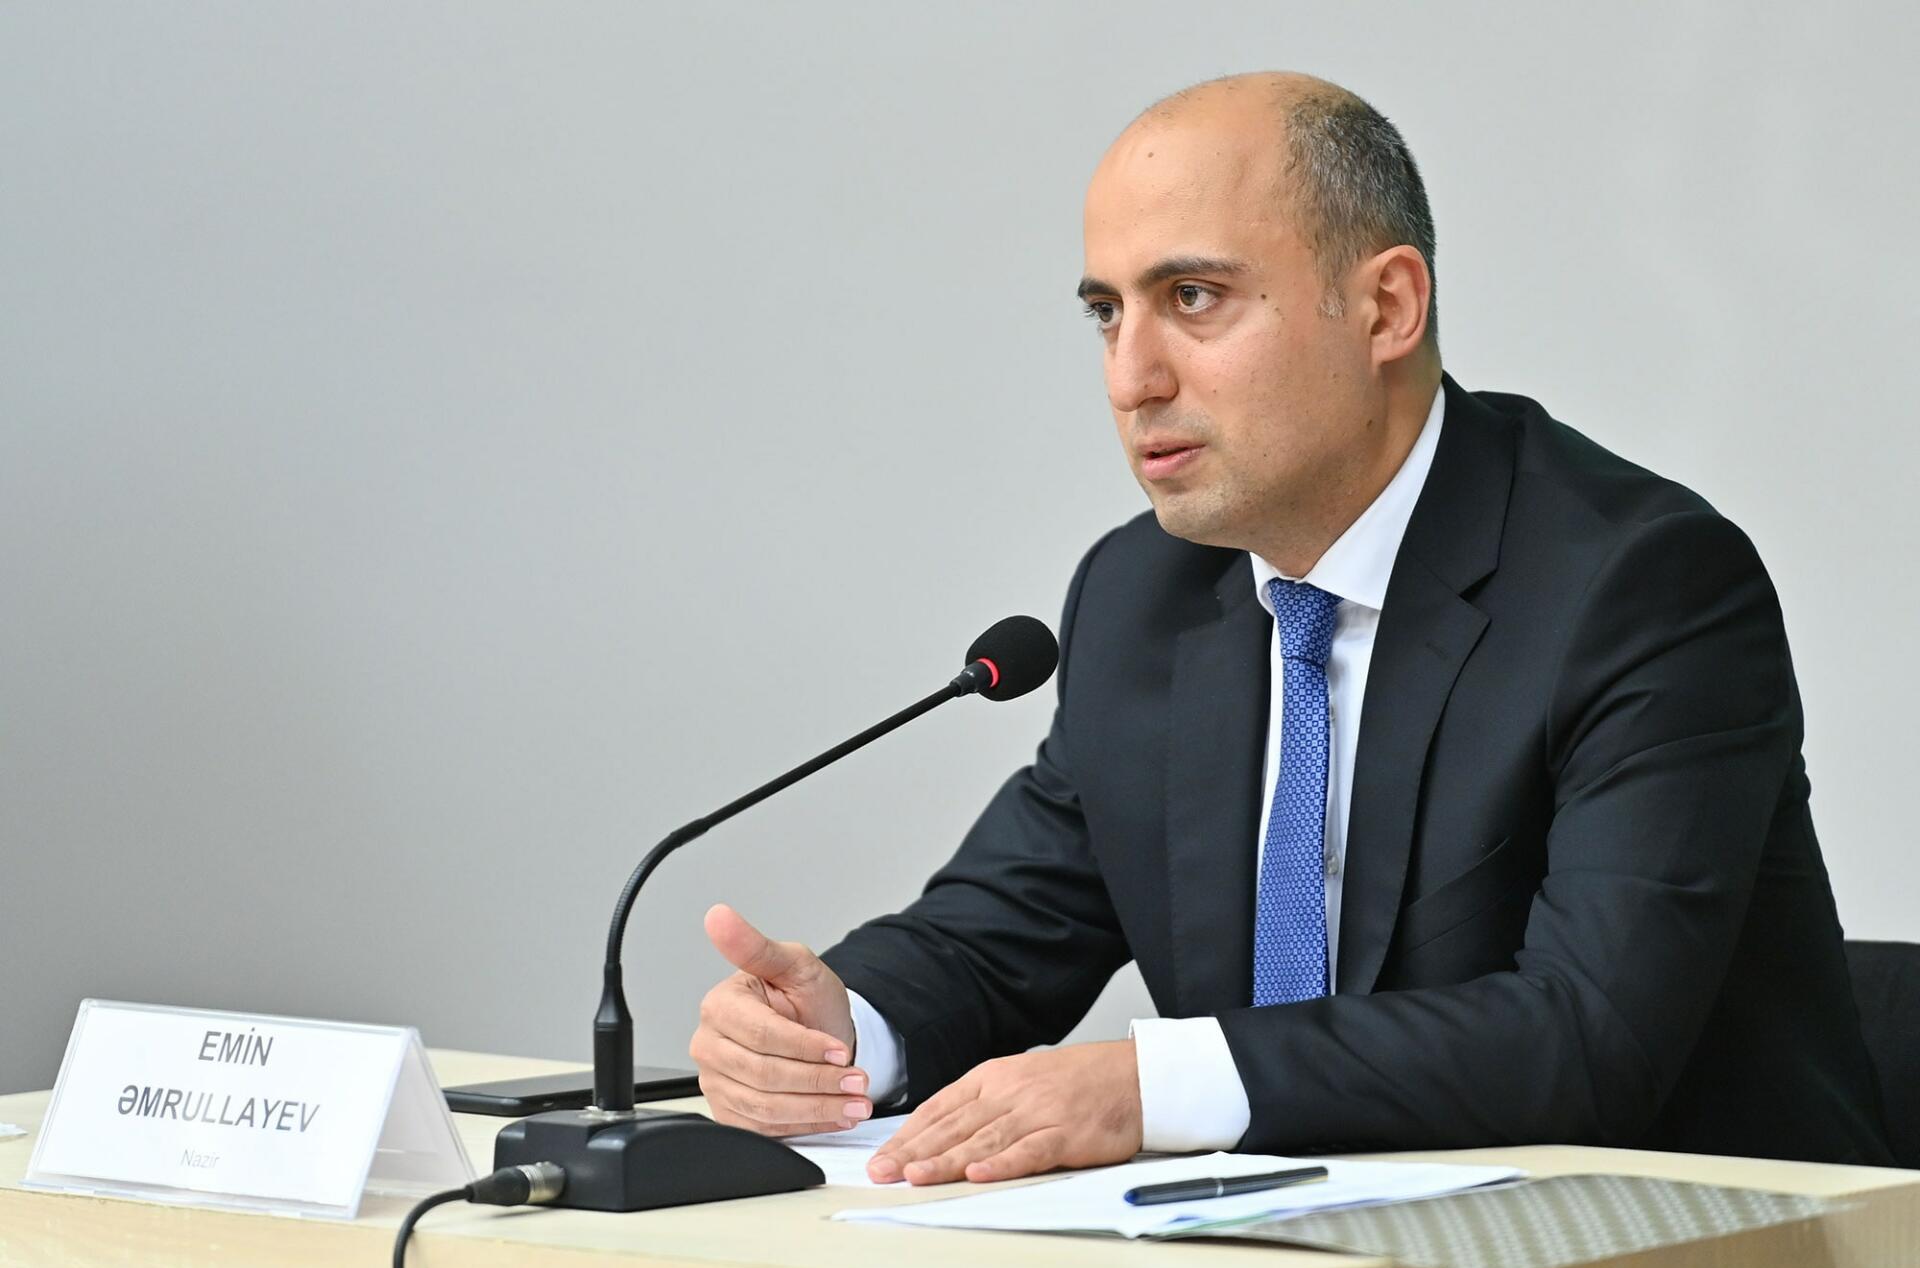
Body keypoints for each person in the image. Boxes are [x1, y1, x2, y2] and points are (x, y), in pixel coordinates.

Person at [686, 70, 1894, 1185]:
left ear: (1385, 307)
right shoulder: (1143, 596)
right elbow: (999, 937)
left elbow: (1588, 1036)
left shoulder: (1640, 587)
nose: (1131, 378)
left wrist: (1149, 1086)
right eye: (1106, 312)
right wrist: (840, 1030)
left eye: (1192, 298)